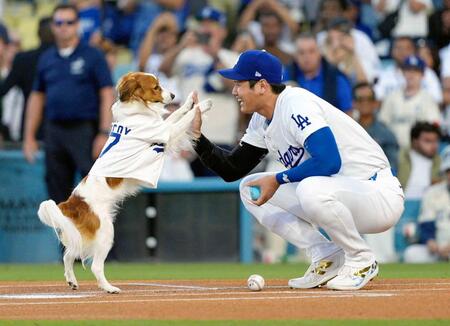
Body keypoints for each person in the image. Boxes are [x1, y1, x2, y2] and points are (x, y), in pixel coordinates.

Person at [191, 49, 405, 290]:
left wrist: (279, 178)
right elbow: (232, 169)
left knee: (310, 188)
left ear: (261, 85)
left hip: (376, 193)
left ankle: (361, 259)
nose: (234, 91)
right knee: (250, 189)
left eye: (239, 83)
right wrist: (196, 137)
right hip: (340, 196)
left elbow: (328, 161)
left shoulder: (295, 104)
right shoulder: (262, 119)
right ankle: (326, 254)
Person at [22, 4, 114, 204]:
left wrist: (104, 132)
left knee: (93, 190)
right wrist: (29, 135)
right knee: (57, 191)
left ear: (77, 25)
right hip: (54, 130)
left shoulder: (93, 55)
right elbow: (37, 96)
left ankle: (100, 235)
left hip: (85, 130)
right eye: (59, 23)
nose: (64, 27)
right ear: (53, 26)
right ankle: (64, 236)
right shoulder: (47, 58)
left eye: (69, 22)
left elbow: (107, 93)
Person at [0, 17, 54, 140]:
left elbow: (3, 89)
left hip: (30, 126)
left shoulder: (24, 59)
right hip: (64, 128)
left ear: (37, 34)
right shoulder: (68, 59)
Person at [379, 55, 441, 148]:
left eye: (416, 71)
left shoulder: (428, 99)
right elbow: (382, 124)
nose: (411, 75)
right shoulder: (391, 97)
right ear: (403, 72)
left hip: (417, 151)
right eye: (408, 70)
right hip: (393, 149)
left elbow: (433, 127)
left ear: (423, 75)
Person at [284, 33, 353, 114]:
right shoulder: (285, 77)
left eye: (311, 51)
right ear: (295, 56)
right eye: (301, 52)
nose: (307, 56)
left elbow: (348, 114)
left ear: (319, 53)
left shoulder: (337, 78)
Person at [403, 145, 450, 263]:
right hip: (438, 250)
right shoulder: (433, 192)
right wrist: (430, 241)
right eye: (449, 171)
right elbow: (426, 224)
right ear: (444, 172)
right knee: (411, 254)